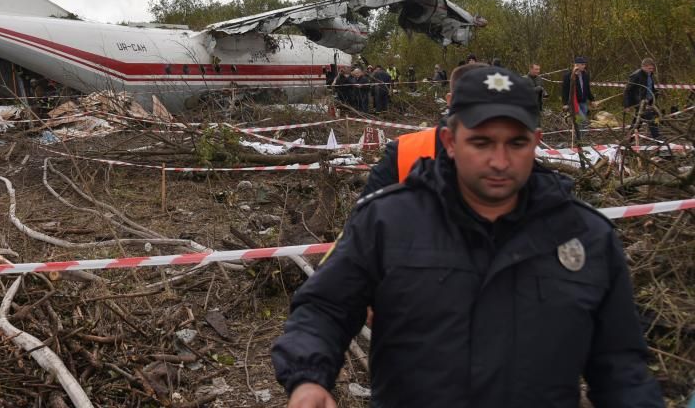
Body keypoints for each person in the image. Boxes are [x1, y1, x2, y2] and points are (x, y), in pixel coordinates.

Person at [272, 66, 664, 407]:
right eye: (481, 142)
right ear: (449, 141)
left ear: (537, 140)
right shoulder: (387, 221)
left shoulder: (586, 236)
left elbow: (620, 365)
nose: (499, 161)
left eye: (516, 143)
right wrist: (308, 379)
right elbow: (325, 308)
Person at [362, 61, 486, 196]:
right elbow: (369, 213)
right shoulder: (400, 151)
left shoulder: (403, 149)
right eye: (474, 99)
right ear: (450, 100)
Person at [624, 57, 660, 139]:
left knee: (638, 122)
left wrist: (656, 92)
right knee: (651, 118)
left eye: (652, 68)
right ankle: (658, 140)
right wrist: (627, 105)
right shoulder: (636, 75)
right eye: (649, 68)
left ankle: (628, 139)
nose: (651, 70)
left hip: (649, 102)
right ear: (643, 66)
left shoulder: (650, 74)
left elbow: (650, 87)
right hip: (639, 102)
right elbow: (627, 91)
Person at [562, 56, 594, 140]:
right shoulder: (568, 76)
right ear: (576, 65)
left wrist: (592, 99)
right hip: (574, 103)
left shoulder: (585, 75)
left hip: (583, 102)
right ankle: (579, 140)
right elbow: (564, 90)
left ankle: (580, 140)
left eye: (584, 64)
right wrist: (565, 103)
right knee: (582, 120)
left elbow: (587, 88)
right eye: (582, 64)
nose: (584, 66)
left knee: (581, 123)